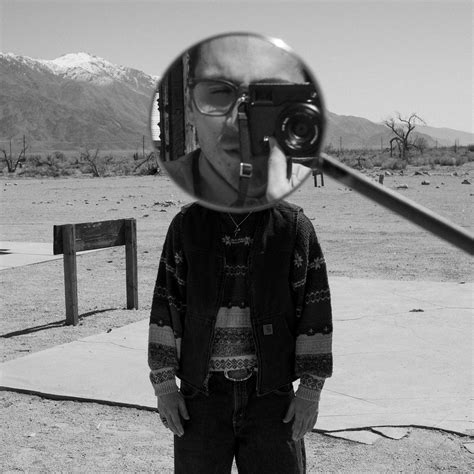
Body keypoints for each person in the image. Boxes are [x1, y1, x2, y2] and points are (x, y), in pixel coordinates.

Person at [148, 34, 333, 474]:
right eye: (219, 93)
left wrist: (310, 391)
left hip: (272, 399)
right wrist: (164, 386)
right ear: (191, 107)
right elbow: (166, 306)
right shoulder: (187, 226)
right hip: (201, 398)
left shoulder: (293, 227)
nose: (239, 118)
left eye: (262, 99)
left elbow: (315, 309)